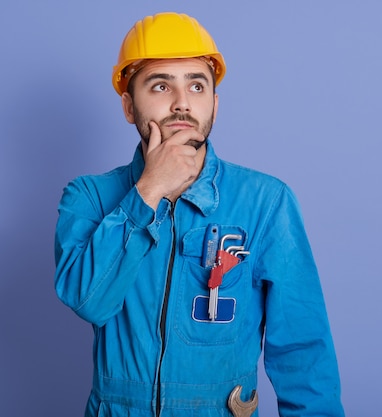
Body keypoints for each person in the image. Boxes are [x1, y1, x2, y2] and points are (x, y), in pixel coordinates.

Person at [54, 12, 344, 417]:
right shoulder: (88, 196)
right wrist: (149, 190)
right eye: (160, 86)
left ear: (214, 103)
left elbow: (302, 350)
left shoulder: (266, 202)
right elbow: (89, 301)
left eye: (196, 85)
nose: (182, 103)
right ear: (127, 105)